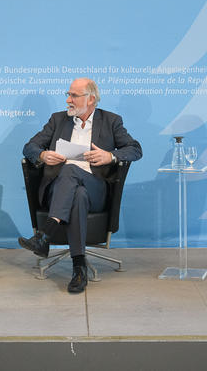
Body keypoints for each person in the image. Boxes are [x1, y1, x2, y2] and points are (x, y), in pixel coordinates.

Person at [18, 77, 142, 294]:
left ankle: (45, 235)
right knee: (77, 194)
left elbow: (135, 149)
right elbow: (29, 147)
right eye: (68, 94)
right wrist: (43, 154)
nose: (68, 100)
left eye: (74, 96)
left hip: (97, 188)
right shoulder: (57, 120)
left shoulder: (111, 121)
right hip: (59, 190)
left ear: (91, 99)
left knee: (73, 173)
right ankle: (78, 267)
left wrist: (110, 156)